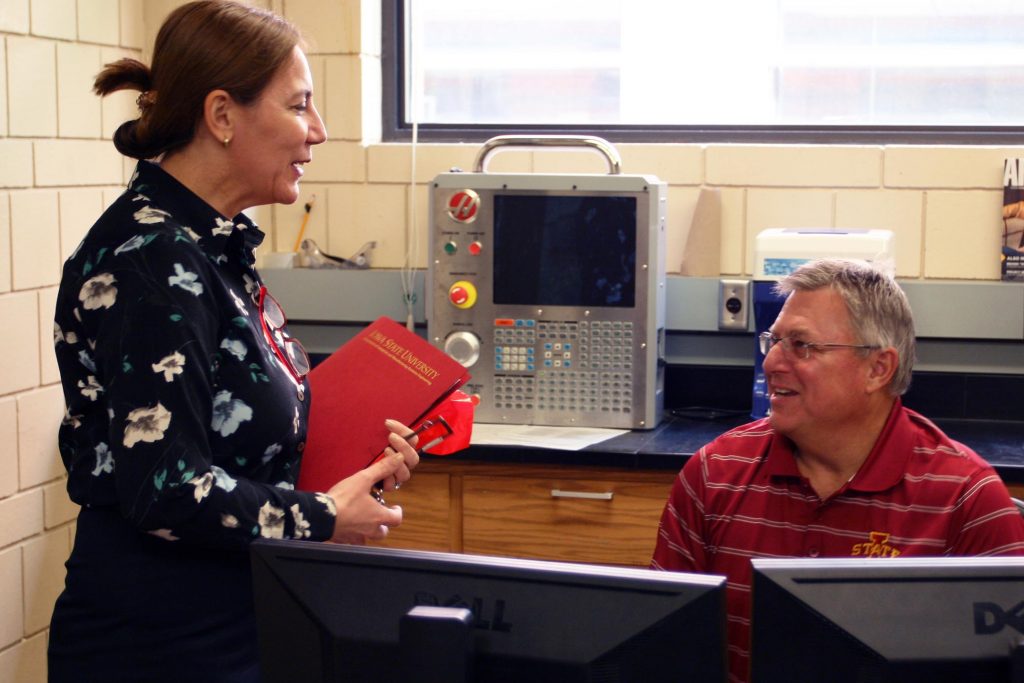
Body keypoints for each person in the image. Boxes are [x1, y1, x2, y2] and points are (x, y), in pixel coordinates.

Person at [48, 2, 420, 681]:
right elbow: (165, 488)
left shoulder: (206, 245)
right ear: (222, 116)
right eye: (300, 105)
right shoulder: (153, 260)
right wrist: (325, 516)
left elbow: (228, 427)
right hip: (161, 644)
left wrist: (356, 462)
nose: (319, 131)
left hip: (231, 620)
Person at [651, 258, 1024, 683]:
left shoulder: (968, 501)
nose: (772, 362)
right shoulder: (714, 473)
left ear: (877, 368)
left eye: (801, 345)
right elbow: (661, 651)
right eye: (774, 341)